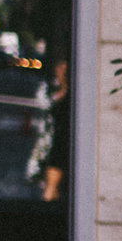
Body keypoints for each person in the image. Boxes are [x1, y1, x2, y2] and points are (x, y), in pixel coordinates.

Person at [38, 59, 72, 202]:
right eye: (58, 69)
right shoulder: (54, 91)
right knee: (53, 187)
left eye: (63, 70)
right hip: (56, 143)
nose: (59, 72)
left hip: (61, 144)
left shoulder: (67, 96)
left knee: (52, 188)